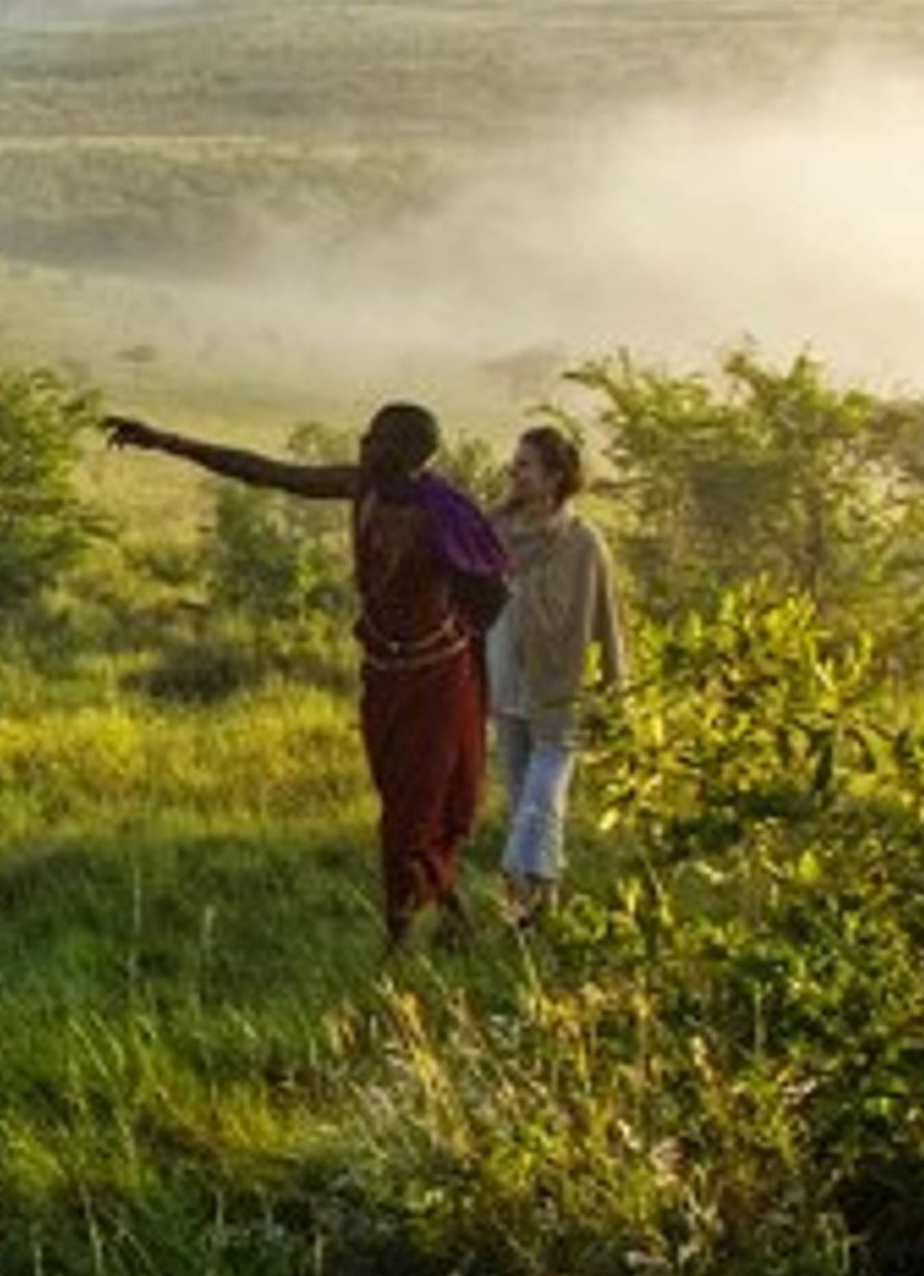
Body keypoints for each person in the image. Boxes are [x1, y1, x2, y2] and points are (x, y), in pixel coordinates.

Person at [103, 402, 508, 952]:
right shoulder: (362, 486)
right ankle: (450, 905)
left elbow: (491, 591)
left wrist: (453, 634)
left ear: (406, 453)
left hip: (436, 680)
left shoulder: (445, 513)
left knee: (409, 819)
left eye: (376, 440)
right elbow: (264, 471)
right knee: (402, 798)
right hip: (384, 674)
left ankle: (398, 936)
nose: (364, 445)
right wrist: (165, 440)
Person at [484, 425, 629, 925]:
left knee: (541, 799)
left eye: (525, 465)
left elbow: (607, 621)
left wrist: (616, 691)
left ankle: (512, 884)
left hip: (561, 692)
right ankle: (541, 908)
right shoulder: (495, 531)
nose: (514, 472)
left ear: (553, 477)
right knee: (523, 797)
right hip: (505, 684)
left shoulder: (583, 543)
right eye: (515, 463)